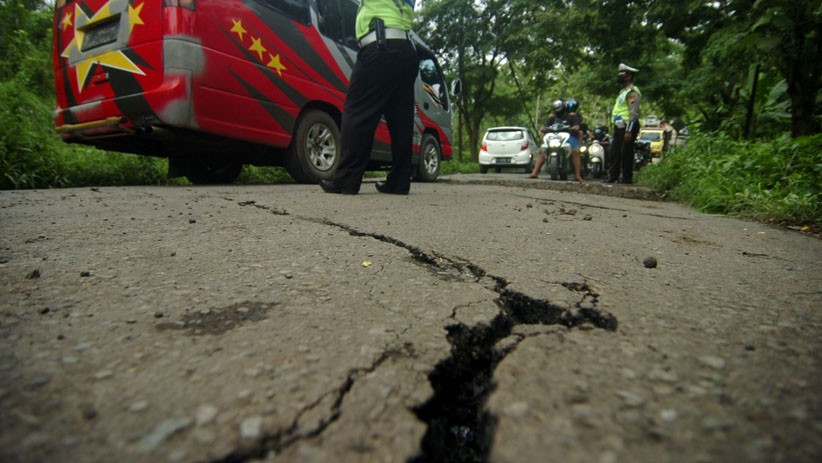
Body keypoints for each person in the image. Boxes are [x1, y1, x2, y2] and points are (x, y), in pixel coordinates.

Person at [319, 0, 418, 195]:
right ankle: (399, 181)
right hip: (407, 50)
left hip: (380, 47)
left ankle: (347, 179)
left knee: (357, 113)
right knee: (401, 119)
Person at [527, 98, 584, 183]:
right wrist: (543, 128)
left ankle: (577, 175)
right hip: (554, 136)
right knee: (542, 150)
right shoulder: (552, 117)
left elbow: (577, 126)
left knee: (575, 152)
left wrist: (575, 127)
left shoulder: (572, 115)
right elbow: (545, 126)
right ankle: (535, 172)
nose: (558, 111)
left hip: (568, 136)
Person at [604, 63, 641, 184]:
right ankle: (613, 176)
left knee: (626, 152)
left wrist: (629, 130)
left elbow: (633, 113)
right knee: (614, 152)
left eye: (623, 74)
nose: (620, 76)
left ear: (629, 76)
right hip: (619, 126)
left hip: (627, 126)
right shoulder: (622, 92)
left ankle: (626, 177)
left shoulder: (632, 92)